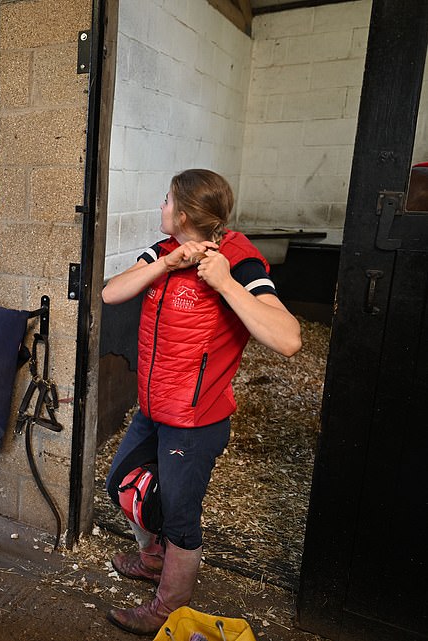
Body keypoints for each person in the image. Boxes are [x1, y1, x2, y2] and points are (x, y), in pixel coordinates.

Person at [100, 169, 301, 634]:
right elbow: (112, 292)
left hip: (196, 419)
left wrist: (226, 284)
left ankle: (168, 607)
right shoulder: (164, 251)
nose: (161, 206)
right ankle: (155, 558)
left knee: (180, 516)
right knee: (118, 484)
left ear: (184, 213)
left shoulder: (241, 262)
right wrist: (165, 266)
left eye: (167, 200)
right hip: (154, 408)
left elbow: (289, 339)